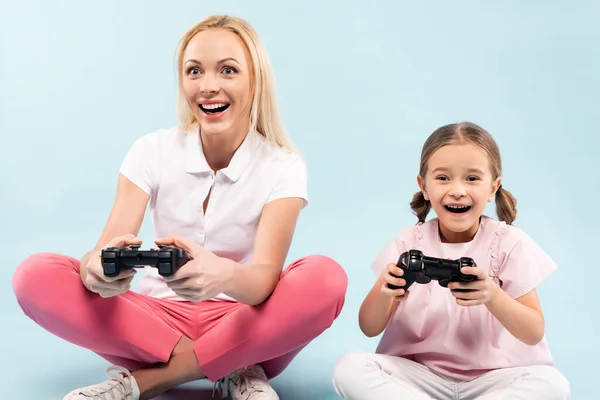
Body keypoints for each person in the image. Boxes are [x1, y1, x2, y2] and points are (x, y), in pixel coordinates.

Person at [12, 14, 348, 400]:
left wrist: (223, 275)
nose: (208, 86)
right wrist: (96, 272)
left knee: (326, 278)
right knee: (34, 275)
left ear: (255, 80)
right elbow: (100, 252)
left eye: (228, 70)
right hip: (152, 324)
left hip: (243, 320)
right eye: (194, 71)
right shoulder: (151, 150)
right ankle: (232, 368)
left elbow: (262, 284)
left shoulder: (284, 166)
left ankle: (146, 382)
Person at [331, 122, 570, 399]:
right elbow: (369, 327)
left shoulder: (508, 242)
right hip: (419, 377)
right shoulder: (409, 241)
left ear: (493, 187)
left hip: (493, 379)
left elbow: (533, 333)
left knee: (552, 384)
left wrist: (492, 295)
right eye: (443, 178)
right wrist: (386, 290)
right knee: (349, 368)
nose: (457, 190)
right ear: (424, 186)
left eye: (472, 178)